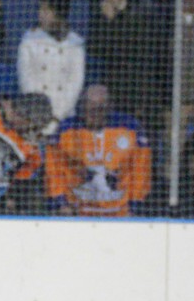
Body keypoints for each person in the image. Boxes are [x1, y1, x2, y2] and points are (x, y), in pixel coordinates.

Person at [46, 83, 151, 217]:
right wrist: (61, 203)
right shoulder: (66, 130)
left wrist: (135, 206)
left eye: (100, 109)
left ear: (110, 107)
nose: (95, 114)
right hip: (77, 213)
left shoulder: (130, 128)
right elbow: (54, 169)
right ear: (82, 107)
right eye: (90, 109)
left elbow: (140, 170)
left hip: (120, 214)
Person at [17, 0, 85, 130]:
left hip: (64, 118)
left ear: (59, 13)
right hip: (34, 115)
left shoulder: (75, 44)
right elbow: (26, 79)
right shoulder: (29, 40)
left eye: (46, 10)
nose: (41, 14)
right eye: (40, 9)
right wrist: (40, 113)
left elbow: (75, 83)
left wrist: (57, 115)